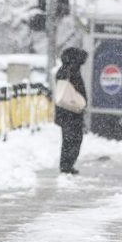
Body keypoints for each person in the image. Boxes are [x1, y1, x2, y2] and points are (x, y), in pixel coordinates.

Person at [54, 46, 88, 174]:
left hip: (67, 112)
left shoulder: (65, 70)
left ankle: (66, 165)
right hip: (71, 112)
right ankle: (66, 165)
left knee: (69, 139)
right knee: (73, 139)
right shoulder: (70, 71)